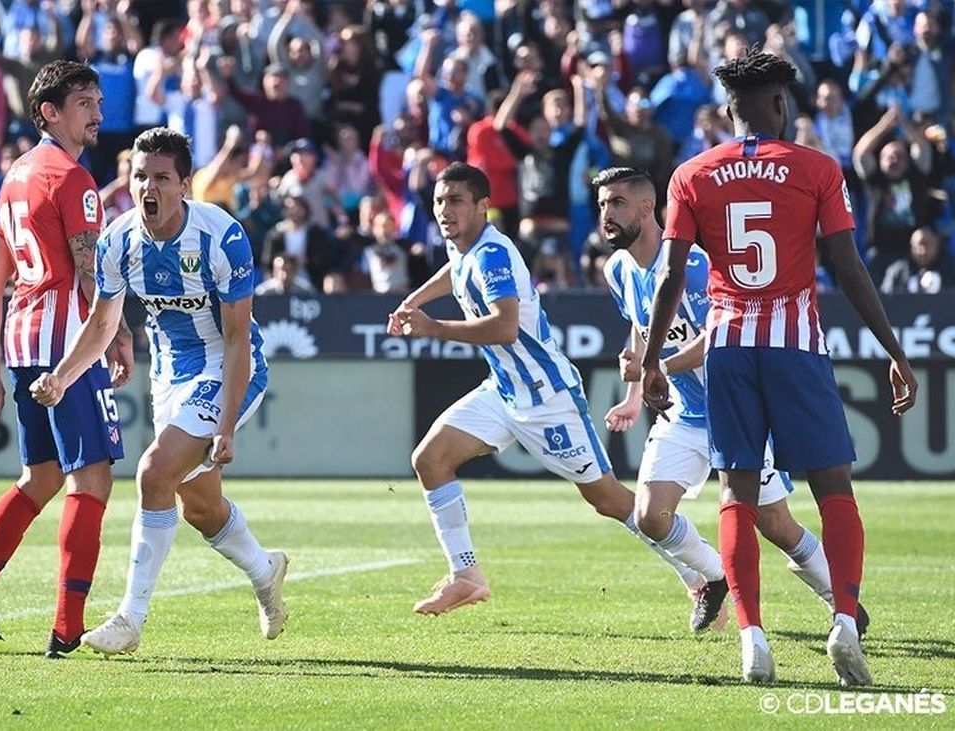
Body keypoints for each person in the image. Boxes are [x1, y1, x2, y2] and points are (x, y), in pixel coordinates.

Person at [641, 50, 917, 686]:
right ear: (778, 104)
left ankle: (753, 639)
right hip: (796, 346)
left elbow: (672, 275)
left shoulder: (691, 174)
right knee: (834, 487)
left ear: (729, 108)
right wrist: (894, 351)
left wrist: (651, 360)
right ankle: (843, 620)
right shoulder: (816, 168)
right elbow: (848, 267)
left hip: (729, 349)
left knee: (736, 495)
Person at [386, 163, 716, 620]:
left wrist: (433, 327)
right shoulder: (465, 247)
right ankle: (466, 576)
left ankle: (697, 577)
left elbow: (504, 327)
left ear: (483, 206)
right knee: (430, 459)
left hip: (547, 397)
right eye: (440, 201)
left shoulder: (492, 255)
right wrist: (414, 300)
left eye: (456, 200)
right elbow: (455, 270)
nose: (444, 210)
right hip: (504, 390)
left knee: (609, 500)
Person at [30, 127, 288, 657]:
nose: (148, 187)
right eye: (140, 176)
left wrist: (226, 425)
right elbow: (104, 324)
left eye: (162, 178)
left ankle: (130, 617)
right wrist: (62, 375)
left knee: (152, 473)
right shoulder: (118, 240)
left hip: (226, 366)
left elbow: (237, 339)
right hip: (169, 374)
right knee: (200, 506)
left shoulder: (221, 236)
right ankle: (266, 571)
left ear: (184, 186)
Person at [595, 166, 869, 635]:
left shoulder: (693, 267)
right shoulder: (617, 270)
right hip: (683, 415)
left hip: (733, 410)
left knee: (775, 523)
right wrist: (634, 395)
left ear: (647, 207)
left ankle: (842, 602)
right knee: (650, 517)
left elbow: (716, 337)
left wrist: (657, 369)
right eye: (602, 204)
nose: (606, 214)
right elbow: (643, 328)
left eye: (617, 203)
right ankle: (716, 575)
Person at [0, 60, 134, 660]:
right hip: (68, 347)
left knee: (41, 478)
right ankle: (67, 629)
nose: (97, 114)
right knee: (92, 477)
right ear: (50, 112)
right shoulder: (73, 180)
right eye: (84, 103)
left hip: (24, 345)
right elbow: (91, 275)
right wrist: (119, 333)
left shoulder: (16, 176)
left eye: (98, 102)